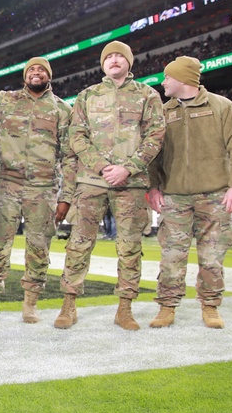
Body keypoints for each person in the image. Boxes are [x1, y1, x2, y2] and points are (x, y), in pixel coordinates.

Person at [57, 41, 165, 331]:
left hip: (130, 184)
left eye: (120, 56)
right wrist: (101, 166)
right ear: (102, 64)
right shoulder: (87, 96)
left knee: (129, 246)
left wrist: (127, 169)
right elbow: (76, 136)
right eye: (109, 57)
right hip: (92, 182)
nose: (114, 60)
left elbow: (156, 136)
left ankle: (125, 309)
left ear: (129, 62)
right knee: (78, 244)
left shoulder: (147, 95)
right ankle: (69, 305)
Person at [0, 57, 75, 326]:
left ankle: (30, 304)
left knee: (39, 249)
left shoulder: (62, 109)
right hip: (7, 184)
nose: (36, 73)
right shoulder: (5, 100)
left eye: (41, 70)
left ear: (49, 76)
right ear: (24, 76)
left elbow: (70, 157)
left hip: (44, 188)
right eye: (31, 70)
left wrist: (67, 197)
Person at [148, 56, 232, 329]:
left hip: (215, 195)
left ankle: (211, 306)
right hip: (174, 196)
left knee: (212, 256)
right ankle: (167, 307)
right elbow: (152, 154)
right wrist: (153, 186)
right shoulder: (162, 112)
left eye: (168, 77)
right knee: (171, 256)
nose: (163, 82)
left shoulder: (222, 107)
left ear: (182, 79)